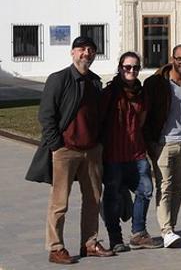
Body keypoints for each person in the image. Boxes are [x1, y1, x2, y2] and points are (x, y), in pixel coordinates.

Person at [27, 35, 115, 264]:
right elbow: (46, 115)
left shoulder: (95, 82)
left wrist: (99, 143)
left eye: (91, 50)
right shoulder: (59, 79)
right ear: (73, 53)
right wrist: (57, 144)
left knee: (93, 200)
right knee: (59, 202)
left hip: (92, 150)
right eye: (82, 49)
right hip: (65, 150)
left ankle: (90, 244)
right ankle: (56, 248)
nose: (87, 53)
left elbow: (100, 116)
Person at [100, 52, 161, 252]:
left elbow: (141, 121)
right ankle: (115, 238)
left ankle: (138, 233)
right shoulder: (110, 93)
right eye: (128, 67)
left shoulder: (142, 94)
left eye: (135, 67)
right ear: (120, 68)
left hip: (136, 152)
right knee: (112, 197)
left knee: (145, 190)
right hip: (114, 154)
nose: (132, 71)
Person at [142, 44, 181, 248]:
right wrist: (149, 141)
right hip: (163, 143)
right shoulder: (156, 83)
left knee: (178, 188)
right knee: (164, 187)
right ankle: (166, 230)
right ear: (172, 58)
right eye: (180, 58)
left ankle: (171, 228)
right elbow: (146, 114)